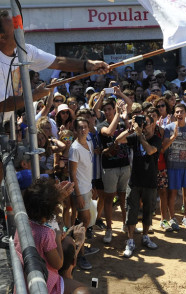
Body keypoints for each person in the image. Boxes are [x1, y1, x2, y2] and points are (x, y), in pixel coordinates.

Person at [0, 10, 109, 248]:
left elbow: (57, 61)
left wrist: (87, 64)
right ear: (1, 37)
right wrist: (33, 94)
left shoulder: (22, 50)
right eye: (14, 29)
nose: (21, 32)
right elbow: (0, 104)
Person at [14, 177, 75, 294]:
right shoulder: (46, 234)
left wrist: (57, 196)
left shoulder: (23, 223)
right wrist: (57, 238)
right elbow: (58, 264)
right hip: (45, 286)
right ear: (51, 211)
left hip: (24, 282)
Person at [115, 114, 161, 258]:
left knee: (148, 211)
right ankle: (130, 240)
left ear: (153, 125)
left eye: (146, 124)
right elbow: (118, 140)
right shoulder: (135, 136)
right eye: (142, 123)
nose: (143, 126)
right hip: (134, 180)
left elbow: (150, 150)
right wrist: (130, 130)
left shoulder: (156, 139)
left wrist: (140, 135)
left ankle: (145, 236)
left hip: (150, 181)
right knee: (131, 210)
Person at [98, 98, 131, 244]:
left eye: (109, 109)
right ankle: (109, 229)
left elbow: (130, 133)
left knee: (125, 198)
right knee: (109, 199)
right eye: (104, 110)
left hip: (124, 166)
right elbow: (110, 132)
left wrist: (124, 115)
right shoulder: (102, 125)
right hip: (109, 168)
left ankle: (126, 224)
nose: (107, 112)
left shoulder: (123, 122)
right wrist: (118, 114)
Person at [69, 117, 99, 270]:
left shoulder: (90, 143)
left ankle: (79, 248)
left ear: (88, 128)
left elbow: (87, 169)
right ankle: (80, 256)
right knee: (83, 223)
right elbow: (72, 174)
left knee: (84, 222)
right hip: (80, 191)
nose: (83, 130)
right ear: (75, 130)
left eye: (85, 127)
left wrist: (91, 185)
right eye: (80, 127)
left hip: (87, 188)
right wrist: (78, 194)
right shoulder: (74, 149)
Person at [161, 103, 186, 231]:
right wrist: (173, 137)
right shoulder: (168, 128)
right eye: (177, 112)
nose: (179, 114)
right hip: (172, 166)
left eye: (182, 112)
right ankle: (172, 217)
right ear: (174, 114)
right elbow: (163, 149)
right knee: (173, 193)